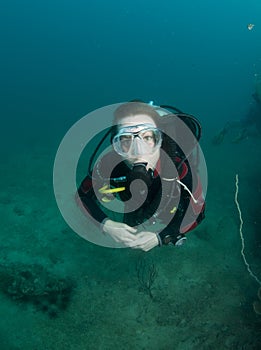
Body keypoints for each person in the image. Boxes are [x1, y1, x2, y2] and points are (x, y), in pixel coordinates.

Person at [77, 101, 206, 251]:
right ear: (115, 146)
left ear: (160, 141)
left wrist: (161, 236)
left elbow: (198, 213)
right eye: (125, 139)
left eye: (148, 138)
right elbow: (82, 196)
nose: (138, 151)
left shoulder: (178, 168)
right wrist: (106, 225)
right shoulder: (110, 164)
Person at [212, 78, 261, 144]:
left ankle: (229, 130)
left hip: (256, 109)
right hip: (257, 109)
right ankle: (245, 133)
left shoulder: (255, 106)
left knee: (247, 123)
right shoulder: (256, 107)